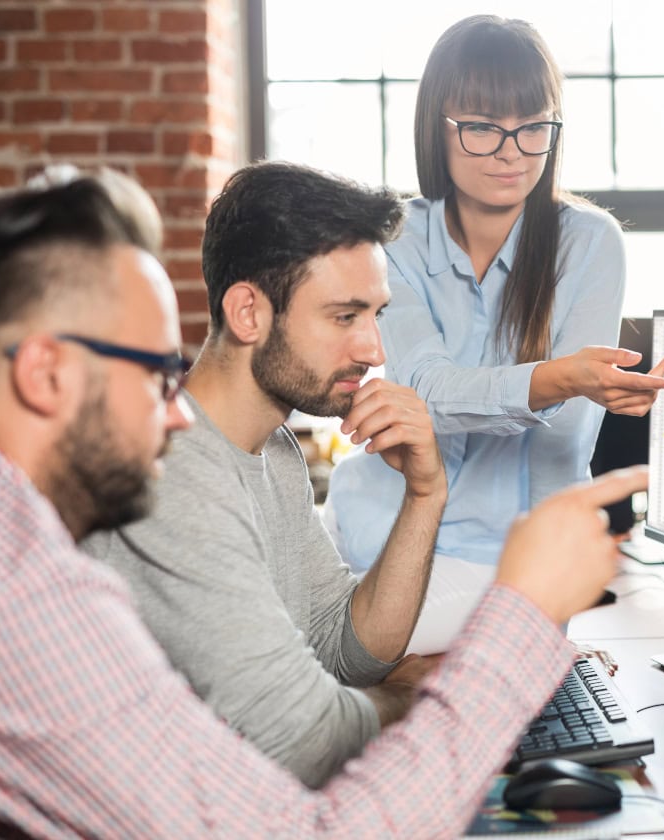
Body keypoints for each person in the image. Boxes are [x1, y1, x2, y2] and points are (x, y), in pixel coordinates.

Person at [0, 169, 648, 837]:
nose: (172, 409)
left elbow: (342, 649)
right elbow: (310, 797)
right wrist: (506, 634)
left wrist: (426, 492)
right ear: (44, 375)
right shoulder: (7, 591)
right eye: (152, 370)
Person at [80, 160, 447, 787]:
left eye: (376, 315)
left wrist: (426, 493)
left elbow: (345, 650)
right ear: (248, 312)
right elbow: (299, 739)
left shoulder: (273, 450)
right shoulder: (172, 469)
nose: (373, 350)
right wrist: (423, 700)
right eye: (344, 317)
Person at [325, 14, 664, 654]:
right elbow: (424, 393)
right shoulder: (394, 241)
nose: (511, 152)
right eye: (483, 127)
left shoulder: (590, 243)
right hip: (376, 531)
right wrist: (558, 378)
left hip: (512, 560)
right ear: (439, 127)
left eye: (533, 127)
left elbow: (564, 439)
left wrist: (543, 612)